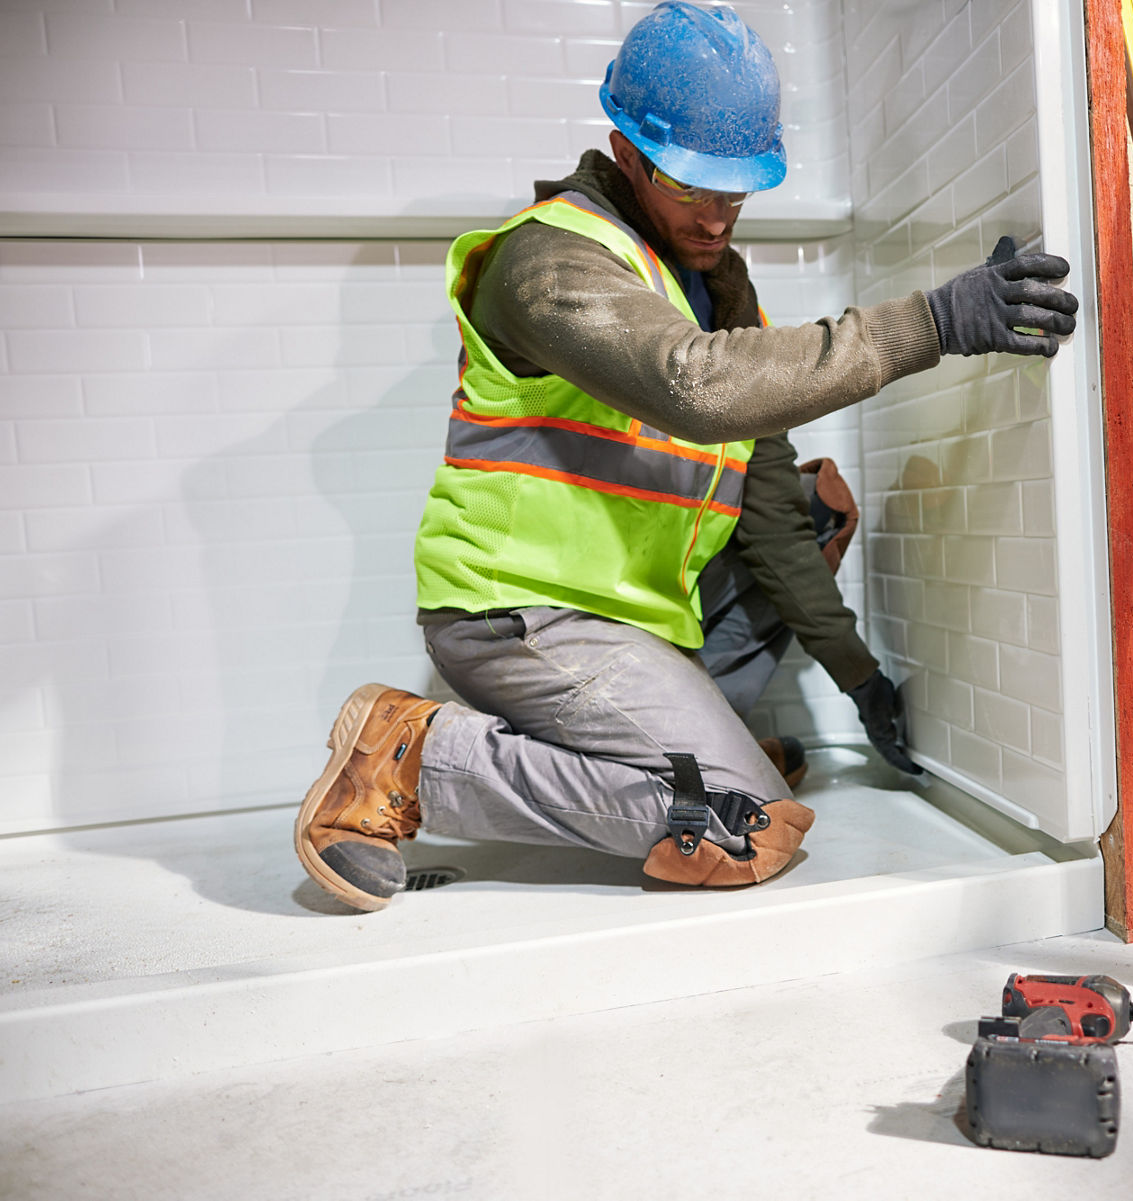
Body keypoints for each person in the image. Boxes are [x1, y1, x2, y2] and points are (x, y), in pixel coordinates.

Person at [293, 1, 1079, 911]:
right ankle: (416, 755)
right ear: (627, 155)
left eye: (734, 192)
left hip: (631, 622)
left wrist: (860, 679)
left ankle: (691, 757)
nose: (717, 219)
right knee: (744, 827)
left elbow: (772, 506)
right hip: (520, 614)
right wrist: (931, 324)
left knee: (814, 511)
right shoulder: (550, 262)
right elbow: (692, 388)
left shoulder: (708, 282)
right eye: (691, 188)